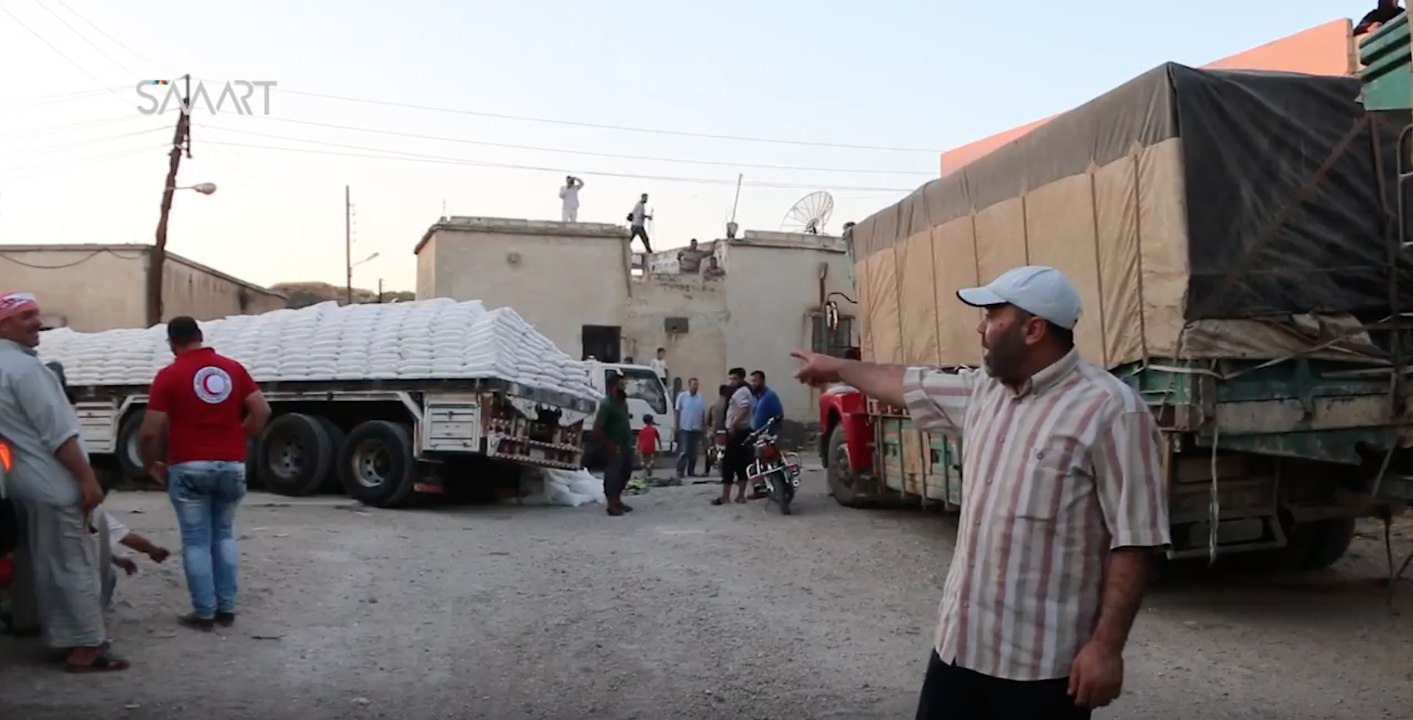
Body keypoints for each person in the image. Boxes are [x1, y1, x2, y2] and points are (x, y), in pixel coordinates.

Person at [791, 265, 1170, 719]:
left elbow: (1137, 539)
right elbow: (903, 382)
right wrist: (836, 367)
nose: (980, 326)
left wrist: (1107, 648)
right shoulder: (984, 392)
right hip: (959, 652)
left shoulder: (1111, 411)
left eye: (992, 315)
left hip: (1041, 671)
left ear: (1033, 329)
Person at [0, 291, 124, 672]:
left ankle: (62, 637)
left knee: (48, 564)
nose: (37, 322)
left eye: (37, 314)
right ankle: (87, 645)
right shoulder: (26, 370)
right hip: (55, 484)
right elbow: (58, 433)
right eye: (26, 316)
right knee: (74, 564)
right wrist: (87, 479)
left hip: (25, 484)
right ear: (3, 325)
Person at [139, 316, 270, 632]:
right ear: (200, 336)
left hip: (189, 466)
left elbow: (149, 432)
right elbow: (262, 411)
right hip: (231, 464)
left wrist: (151, 464)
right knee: (224, 534)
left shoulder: (169, 375)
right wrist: (240, 436)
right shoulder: (233, 368)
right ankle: (226, 608)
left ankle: (204, 613)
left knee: (197, 541)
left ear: (172, 343)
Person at [711, 367, 755, 506]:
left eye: (734, 378)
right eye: (730, 378)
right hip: (743, 431)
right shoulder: (746, 391)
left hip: (737, 432)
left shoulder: (741, 392)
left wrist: (733, 424)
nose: (731, 381)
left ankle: (726, 496)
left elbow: (744, 409)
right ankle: (740, 496)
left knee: (729, 464)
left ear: (741, 379)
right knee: (742, 463)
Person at [592, 371, 634, 517]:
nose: (624, 385)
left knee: (625, 472)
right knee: (613, 475)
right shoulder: (607, 404)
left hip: (625, 444)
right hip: (614, 446)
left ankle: (618, 500)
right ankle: (611, 504)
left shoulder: (622, 402)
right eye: (620, 382)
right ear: (613, 385)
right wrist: (608, 444)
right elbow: (597, 428)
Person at [674, 377, 707, 479]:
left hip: (696, 428)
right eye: (693, 384)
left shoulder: (700, 398)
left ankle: (691, 471)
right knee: (684, 451)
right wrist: (676, 426)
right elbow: (677, 411)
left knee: (694, 452)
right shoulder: (682, 396)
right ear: (689, 385)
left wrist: (703, 426)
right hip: (685, 427)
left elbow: (702, 413)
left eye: (697, 385)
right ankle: (680, 471)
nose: (695, 387)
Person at [703, 383, 731, 475]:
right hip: (727, 430)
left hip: (715, 430)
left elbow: (708, 421)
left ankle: (707, 470)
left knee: (709, 448)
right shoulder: (729, 405)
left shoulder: (714, 405)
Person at [636, 415, 659, 480]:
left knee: (643, 458)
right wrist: (660, 448)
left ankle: (643, 463)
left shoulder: (642, 431)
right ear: (652, 421)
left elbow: (638, 440)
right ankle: (649, 465)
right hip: (651, 447)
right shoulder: (654, 430)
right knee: (651, 459)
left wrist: (637, 449)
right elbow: (658, 439)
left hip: (643, 448)